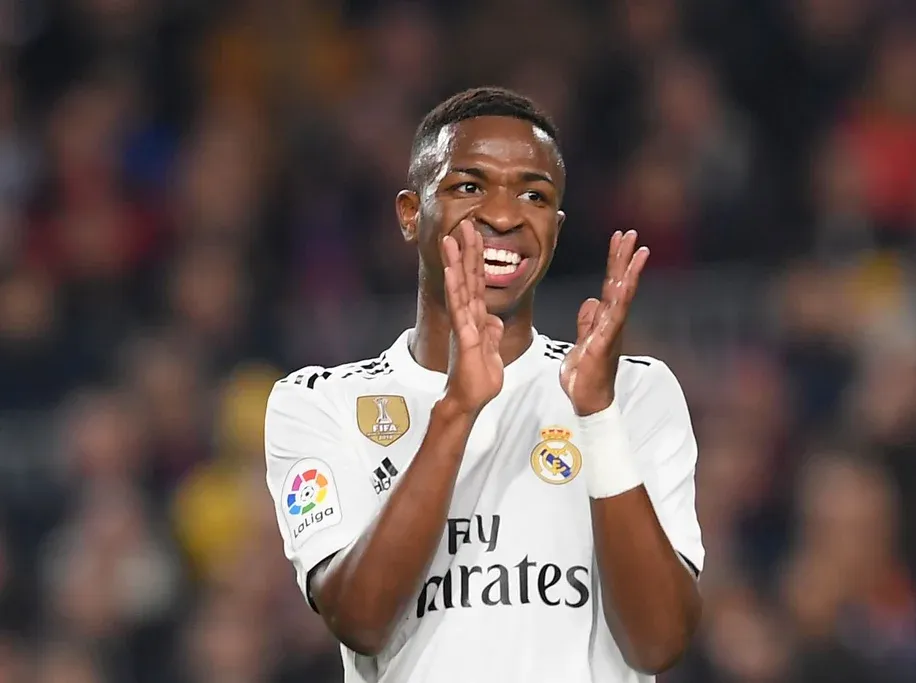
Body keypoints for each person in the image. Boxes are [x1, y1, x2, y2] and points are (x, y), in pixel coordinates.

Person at [264, 87, 704, 682]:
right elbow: (360, 619)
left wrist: (598, 420)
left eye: (533, 195)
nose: (503, 215)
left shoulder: (631, 392)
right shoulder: (321, 403)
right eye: (469, 187)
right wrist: (458, 408)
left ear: (556, 227)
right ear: (410, 213)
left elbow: (658, 644)